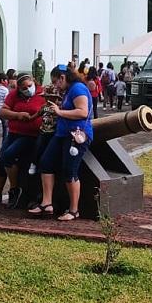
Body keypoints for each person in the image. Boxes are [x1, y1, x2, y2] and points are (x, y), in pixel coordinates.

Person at [29, 65, 93, 221]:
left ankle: (74, 210)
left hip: (75, 134)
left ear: (62, 78)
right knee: (46, 163)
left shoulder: (78, 89)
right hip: (62, 133)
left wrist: (59, 111)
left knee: (70, 171)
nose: (55, 85)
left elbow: (83, 112)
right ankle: (47, 203)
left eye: (55, 81)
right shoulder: (69, 90)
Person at [0, 74, 45, 208]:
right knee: (1, 161)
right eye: (24, 88)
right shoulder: (14, 95)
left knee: (9, 155)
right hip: (14, 132)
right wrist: (17, 115)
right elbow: (2, 112)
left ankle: (14, 189)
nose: (27, 89)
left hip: (31, 135)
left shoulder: (43, 94)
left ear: (33, 82)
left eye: (29, 86)